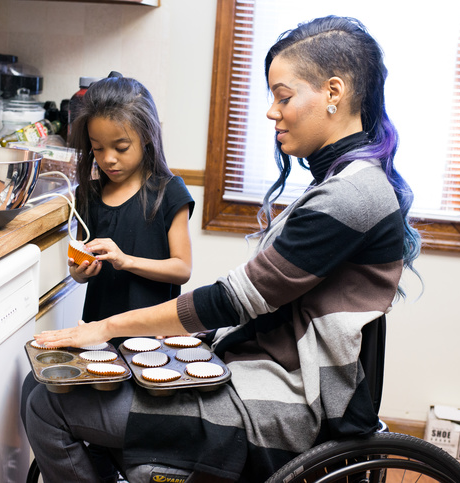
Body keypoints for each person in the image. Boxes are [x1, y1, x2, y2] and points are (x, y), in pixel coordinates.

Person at [22, 16, 421, 483]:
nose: (272, 111)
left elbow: (232, 300)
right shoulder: (345, 184)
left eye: (283, 96)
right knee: (44, 379)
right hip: (258, 372)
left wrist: (103, 327)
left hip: (280, 405)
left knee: (49, 402)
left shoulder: (350, 195)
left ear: (333, 92)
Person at [24, 73, 195, 481]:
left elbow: (182, 268)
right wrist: (80, 272)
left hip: (150, 346)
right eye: (98, 149)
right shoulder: (89, 195)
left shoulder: (168, 192)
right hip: (99, 340)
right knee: (42, 395)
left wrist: (126, 259)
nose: (109, 159)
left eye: (121, 147)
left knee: (108, 430)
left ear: (147, 139)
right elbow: (79, 272)